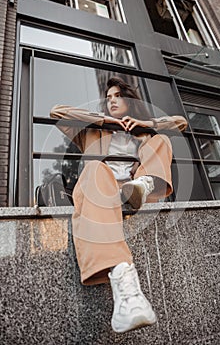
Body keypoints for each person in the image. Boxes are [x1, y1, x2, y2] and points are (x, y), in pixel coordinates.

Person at [50, 76, 187, 333]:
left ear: (130, 101)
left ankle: (143, 186)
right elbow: (57, 112)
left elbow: (180, 123)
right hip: (103, 191)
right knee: (92, 168)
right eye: (108, 98)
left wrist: (146, 124)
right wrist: (107, 121)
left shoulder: (144, 133)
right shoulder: (92, 130)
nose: (112, 101)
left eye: (118, 96)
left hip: (134, 191)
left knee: (162, 139)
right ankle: (127, 290)